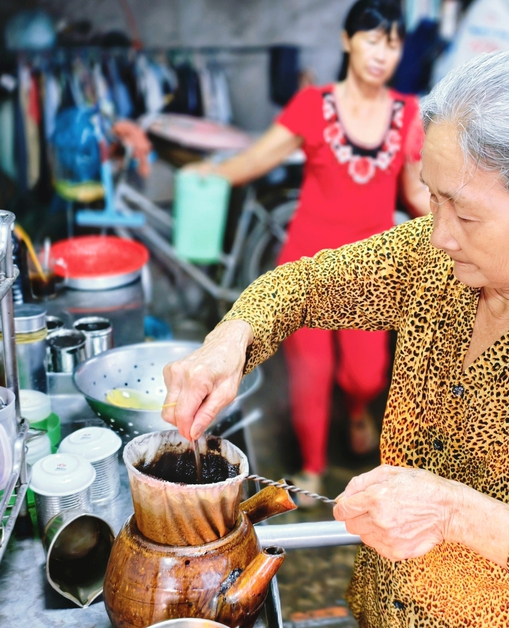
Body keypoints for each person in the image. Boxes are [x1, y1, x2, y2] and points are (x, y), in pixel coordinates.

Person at [163, 47, 509, 626]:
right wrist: (231, 340)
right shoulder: (433, 261)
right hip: (386, 607)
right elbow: (307, 285)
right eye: (430, 197)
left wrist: (457, 514)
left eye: (464, 215)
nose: (438, 234)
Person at [187, 0, 429, 499]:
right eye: (371, 38)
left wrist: (470, 218)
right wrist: (205, 174)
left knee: (366, 375)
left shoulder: (409, 114)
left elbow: (415, 193)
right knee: (310, 373)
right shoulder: (313, 105)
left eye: (393, 41)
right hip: (307, 264)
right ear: (347, 41)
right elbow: (257, 159)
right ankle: (313, 466)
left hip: (375, 269)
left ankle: (359, 407)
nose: (382, 52)